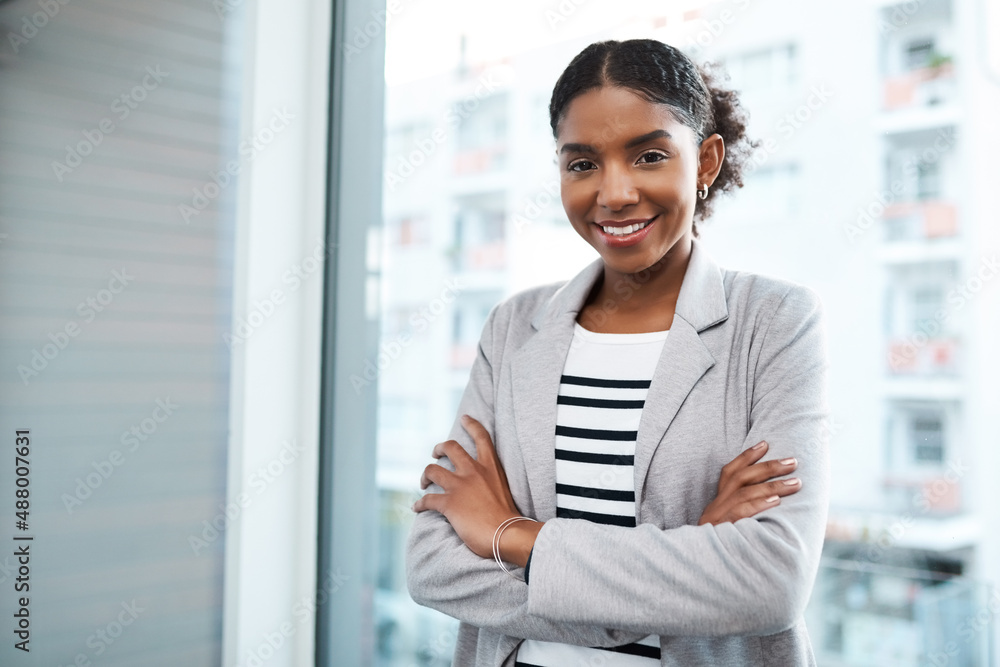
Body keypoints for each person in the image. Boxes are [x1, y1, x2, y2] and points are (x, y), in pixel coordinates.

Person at [406, 38, 830, 666]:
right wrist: (695, 551)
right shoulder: (514, 327)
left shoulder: (772, 322)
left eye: (650, 155)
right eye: (582, 164)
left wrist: (511, 535)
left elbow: (771, 582)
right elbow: (432, 564)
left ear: (706, 160)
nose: (615, 193)